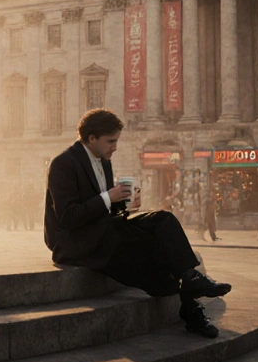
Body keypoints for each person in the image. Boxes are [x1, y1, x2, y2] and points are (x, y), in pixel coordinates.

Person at [45, 109, 232, 339]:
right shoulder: (62, 164)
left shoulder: (103, 160)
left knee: (163, 220)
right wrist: (108, 198)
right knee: (151, 250)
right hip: (74, 242)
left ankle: (190, 278)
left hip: (105, 228)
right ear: (91, 138)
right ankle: (192, 310)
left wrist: (124, 203)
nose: (115, 147)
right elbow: (67, 217)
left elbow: (106, 206)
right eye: (110, 141)